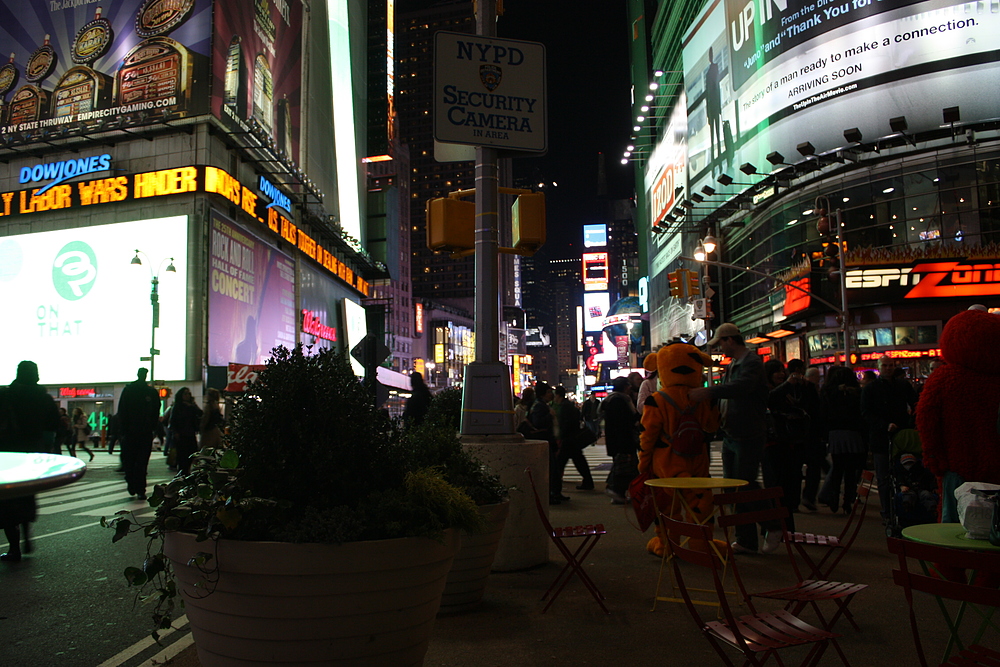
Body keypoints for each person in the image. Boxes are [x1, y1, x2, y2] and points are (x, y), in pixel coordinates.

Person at [690, 323, 782, 554]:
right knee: (733, 488)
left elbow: (741, 388)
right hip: (733, 432)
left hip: (748, 433)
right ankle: (746, 539)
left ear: (730, 340)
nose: (720, 348)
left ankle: (772, 526)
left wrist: (710, 392)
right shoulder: (735, 364)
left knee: (745, 485)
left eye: (720, 343)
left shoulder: (751, 363)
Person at [0, 361, 60, 562]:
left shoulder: (7, 395)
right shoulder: (43, 398)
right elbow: (55, 424)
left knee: (8, 500)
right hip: (33, 453)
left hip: (9, 451)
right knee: (27, 494)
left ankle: (14, 546)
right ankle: (27, 532)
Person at [862, 356, 918, 522]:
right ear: (879, 367)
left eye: (890, 365)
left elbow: (915, 404)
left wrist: (908, 424)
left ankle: (901, 508)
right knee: (884, 477)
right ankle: (887, 511)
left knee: (903, 473)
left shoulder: (902, 386)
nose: (888, 368)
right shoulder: (871, 388)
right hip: (882, 437)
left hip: (900, 436)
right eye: (885, 365)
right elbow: (866, 413)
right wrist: (884, 425)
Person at [817, 367, 867, 514]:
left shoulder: (829, 393)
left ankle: (834, 498)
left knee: (837, 468)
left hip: (835, 433)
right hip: (853, 433)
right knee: (851, 471)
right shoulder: (856, 393)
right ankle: (847, 500)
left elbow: (823, 412)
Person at [117, 368, 161, 500]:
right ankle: (138, 486)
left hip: (135, 431)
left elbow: (122, 411)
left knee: (134, 460)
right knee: (139, 461)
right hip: (140, 431)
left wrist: (123, 430)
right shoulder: (149, 392)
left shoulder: (130, 390)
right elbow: (155, 411)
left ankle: (135, 485)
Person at [601, 376, 640, 504]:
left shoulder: (613, 399)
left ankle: (618, 492)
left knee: (623, 466)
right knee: (624, 467)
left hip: (617, 441)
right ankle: (616, 491)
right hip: (622, 441)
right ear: (625, 386)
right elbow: (623, 422)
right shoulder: (619, 401)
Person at [552, 386, 594, 492]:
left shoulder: (564, 406)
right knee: (578, 460)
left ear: (558, 395)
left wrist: (562, 435)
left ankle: (555, 486)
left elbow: (566, 423)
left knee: (561, 462)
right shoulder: (567, 405)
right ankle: (588, 481)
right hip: (572, 438)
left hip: (568, 438)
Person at [529, 382, 563, 504]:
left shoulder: (542, 404)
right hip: (545, 439)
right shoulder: (540, 406)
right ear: (543, 393)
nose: (552, 394)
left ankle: (555, 493)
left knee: (554, 469)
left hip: (548, 439)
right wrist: (549, 415)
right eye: (549, 392)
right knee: (551, 470)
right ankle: (551, 495)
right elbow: (538, 423)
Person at [168, 387, 203, 475]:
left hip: (190, 433)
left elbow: (200, 413)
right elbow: (173, 421)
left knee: (192, 454)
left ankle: (186, 472)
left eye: (188, 394)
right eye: (185, 394)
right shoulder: (177, 406)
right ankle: (183, 473)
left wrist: (193, 405)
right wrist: (175, 432)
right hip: (181, 434)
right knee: (182, 457)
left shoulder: (191, 406)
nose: (187, 396)